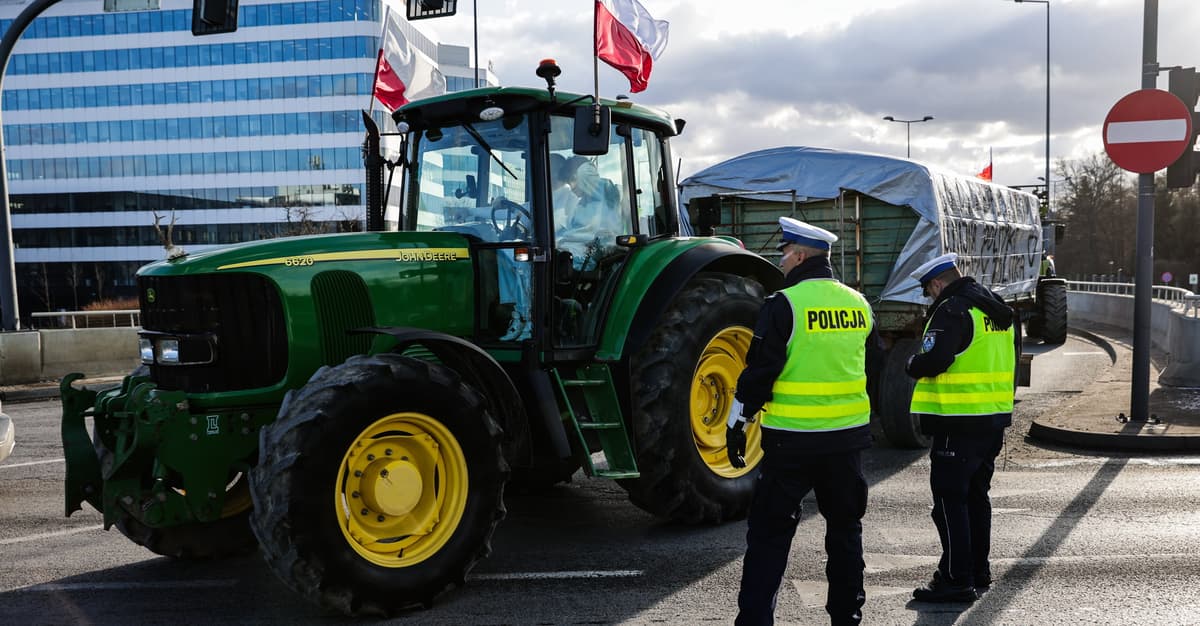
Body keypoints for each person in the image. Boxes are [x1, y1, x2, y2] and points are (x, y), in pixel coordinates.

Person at [727, 216, 877, 626]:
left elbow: (759, 373)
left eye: (785, 254)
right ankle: (847, 617)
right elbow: (874, 368)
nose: (783, 261)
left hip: (789, 444)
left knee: (769, 539)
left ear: (799, 255)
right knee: (846, 534)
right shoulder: (858, 304)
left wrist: (737, 423)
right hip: (846, 443)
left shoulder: (784, 304)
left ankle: (755, 621)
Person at [905, 252, 1018, 603]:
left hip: (958, 421)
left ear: (938, 283)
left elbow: (935, 360)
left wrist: (912, 363)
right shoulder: (994, 306)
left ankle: (956, 578)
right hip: (992, 419)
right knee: (974, 498)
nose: (929, 297)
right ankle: (977, 569)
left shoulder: (952, 309)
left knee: (949, 502)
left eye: (928, 291)